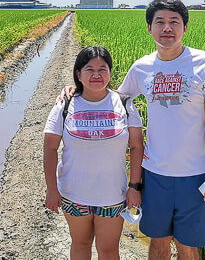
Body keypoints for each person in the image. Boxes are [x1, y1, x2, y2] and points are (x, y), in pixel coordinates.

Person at [60, 0, 205, 260]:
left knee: (188, 246)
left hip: (195, 173)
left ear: (185, 27)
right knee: (157, 242)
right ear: (150, 28)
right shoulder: (142, 68)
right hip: (155, 173)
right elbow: (114, 97)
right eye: (159, 22)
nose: (167, 28)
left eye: (174, 21)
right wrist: (77, 89)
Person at [44, 46, 144, 260]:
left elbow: (137, 147)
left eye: (103, 69)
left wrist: (134, 187)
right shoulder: (66, 104)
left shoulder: (125, 104)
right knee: (81, 244)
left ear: (110, 72)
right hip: (73, 194)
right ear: (78, 74)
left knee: (108, 251)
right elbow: (50, 148)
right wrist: (52, 189)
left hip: (112, 195)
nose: (96, 75)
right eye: (89, 69)